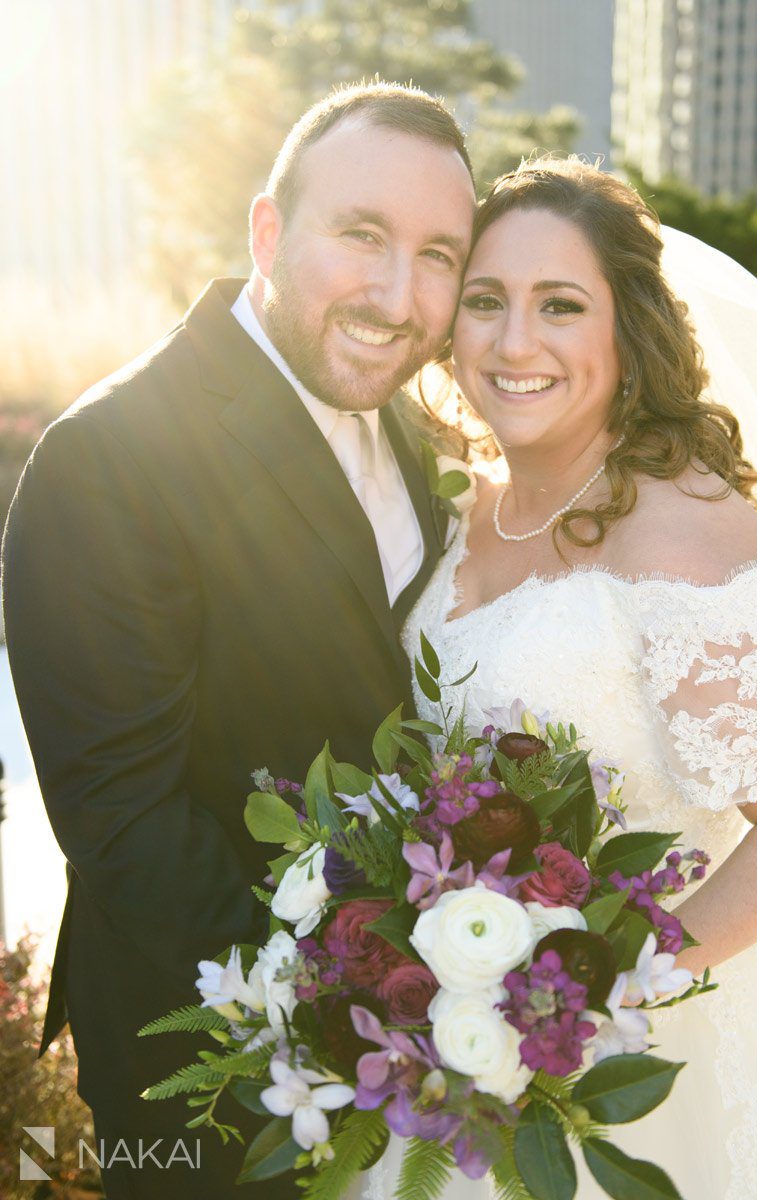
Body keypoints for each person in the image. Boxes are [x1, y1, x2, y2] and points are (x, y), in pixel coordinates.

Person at [1, 81, 475, 1199]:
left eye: (439, 256)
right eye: (362, 235)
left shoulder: (404, 417)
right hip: (210, 1064)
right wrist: (369, 1003)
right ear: (268, 230)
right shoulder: (110, 458)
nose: (397, 294)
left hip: (424, 1052)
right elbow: (125, 823)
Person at [391, 158, 757, 1198]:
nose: (514, 341)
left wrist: (599, 990)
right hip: (457, 1049)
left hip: (654, 1067)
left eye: (560, 305)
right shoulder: (458, 505)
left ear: (629, 327)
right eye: (486, 302)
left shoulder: (684, 530)